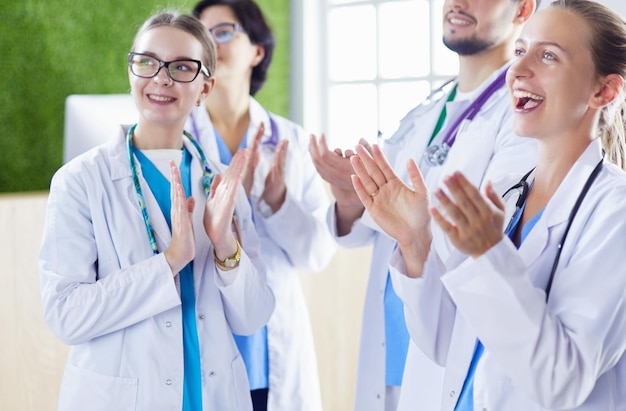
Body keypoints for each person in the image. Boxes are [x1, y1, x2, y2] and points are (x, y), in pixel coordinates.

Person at [350, 0, 626, 409]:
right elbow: (448, 344)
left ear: (604, 91)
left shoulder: (614, 213)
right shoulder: (510, 197)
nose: (520, 68)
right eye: (520, 51)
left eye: (548, 55)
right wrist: (415, 242)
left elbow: (562, 382)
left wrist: (490, 253)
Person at [38, 11, 275, 411]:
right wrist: (168, 263)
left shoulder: (222, 184)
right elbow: (66, 315)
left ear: (205, 87)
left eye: (182, 67)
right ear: (131, 72)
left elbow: (253, 317)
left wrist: (225, 246)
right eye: (147, 62)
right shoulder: (80, 181)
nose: (162, 78)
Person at [310, 0, 538, 409]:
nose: (458, 3)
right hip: (393, 342)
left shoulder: (523, 113)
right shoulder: (429, 106)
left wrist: (395, 213)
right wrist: (352, 196)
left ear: (523, 8)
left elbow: (483, 231)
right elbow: (373, 227)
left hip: (449, 342)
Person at [187, 1, 336, 410]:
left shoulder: (289, 140)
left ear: (258, 50)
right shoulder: (176, 138)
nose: (209, 43)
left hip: (267, 348)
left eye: (224, 31)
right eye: (201, 33)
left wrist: (276, 201)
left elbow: (316, 254)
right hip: (200, 336)